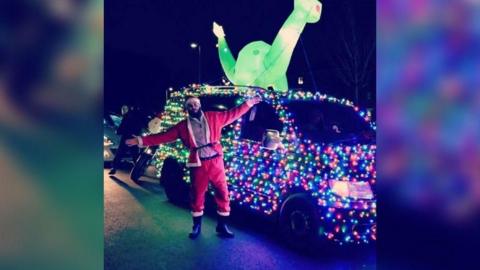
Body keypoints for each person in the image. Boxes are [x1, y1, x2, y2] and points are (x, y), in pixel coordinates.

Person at [126, 95, 261, 239]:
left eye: (196, 104)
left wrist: (249, 103)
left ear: (200, 105)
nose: (193, 107)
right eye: (190, 105)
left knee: (223, 193)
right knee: (197, 195)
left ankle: (222, 225)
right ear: (187, 108)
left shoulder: (214, 117)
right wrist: (140, 140)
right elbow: (162, 137)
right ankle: (196, 226)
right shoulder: (183, 126)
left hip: (216, 162)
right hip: (198, 163)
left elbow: (234, 113)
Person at [109, 105, 144, 175]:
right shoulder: (139, 116)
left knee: (120, 153)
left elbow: (123, 126)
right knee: (135, 154)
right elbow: (140, 127)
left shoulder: (127, 116)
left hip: (126, 137)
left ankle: (114, 168)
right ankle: (138, 169)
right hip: (134, 137)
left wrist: (118, 131)